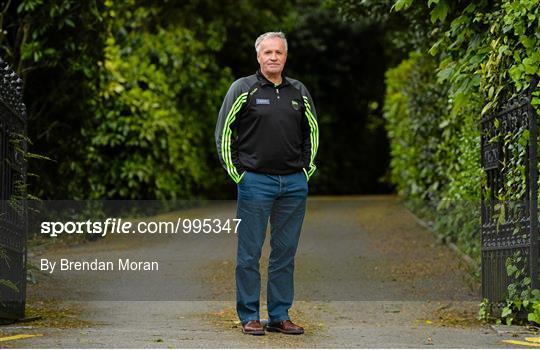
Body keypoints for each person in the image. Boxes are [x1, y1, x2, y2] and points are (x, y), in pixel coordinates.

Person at [215, 32, 319, 336]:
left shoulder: (298, 91)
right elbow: (223, 133)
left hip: (293, 184)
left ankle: (279, 315)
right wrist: (239, 175)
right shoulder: (243, 89)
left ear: (285, 57)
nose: (273, 57)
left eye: (278, 52)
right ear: (258, 57)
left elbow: (311, 133)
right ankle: (249, 315)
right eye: (267, 52)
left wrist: (305, 172)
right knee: (249, 253)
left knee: (284, 253)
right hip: (254, 183)